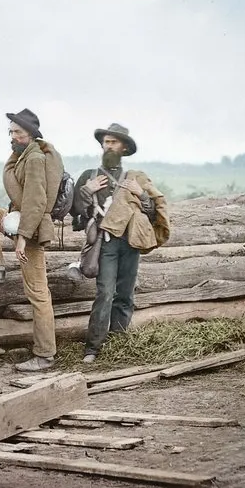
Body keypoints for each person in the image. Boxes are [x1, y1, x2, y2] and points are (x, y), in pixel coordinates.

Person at [71, 123, 170, 363]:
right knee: (105, 293)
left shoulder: (136, 178)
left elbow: (152, 212)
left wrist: (141, 194)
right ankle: (93, 348)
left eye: (114, 142)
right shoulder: (89, 176)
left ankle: (119, 343)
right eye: (106, 142)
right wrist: (86, 191)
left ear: (124, 148)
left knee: (125, 294)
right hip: (105, 243)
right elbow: (74, 212)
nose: (108, 146)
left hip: (130, 242)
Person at [0, 109, 64, 372]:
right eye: (10, 131)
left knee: (38, 293)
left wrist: (22, 239)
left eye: (17, 132)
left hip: (32, 229)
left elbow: (36, 201)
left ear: (31, 134)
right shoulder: (22, 155)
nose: (12, 136)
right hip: (19, 218)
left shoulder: (35, 158)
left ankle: (45, 354)